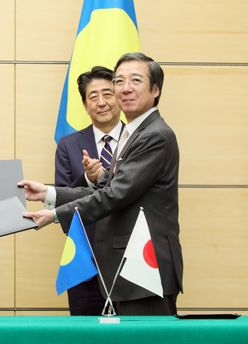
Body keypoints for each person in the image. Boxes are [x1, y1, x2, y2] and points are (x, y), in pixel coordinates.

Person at [19, 52, 183, 315]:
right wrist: (49, 193)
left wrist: (54, 214)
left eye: (135, 80)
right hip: (126, 268)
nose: (125, 88)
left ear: (156, 89)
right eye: (119, 81)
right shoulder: (134, 132)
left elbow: (115, 193)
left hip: (144, 267)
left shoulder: (155, 135)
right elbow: (111, 185)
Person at [54, 66, 122, 315]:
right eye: (93, 97)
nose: (102, 102)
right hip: (85, 260)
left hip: (129, 259)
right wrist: (89, 180)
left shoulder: (139, 139)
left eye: (108, 94)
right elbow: (61, 208)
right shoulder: (68, 145)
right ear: (84, 104)